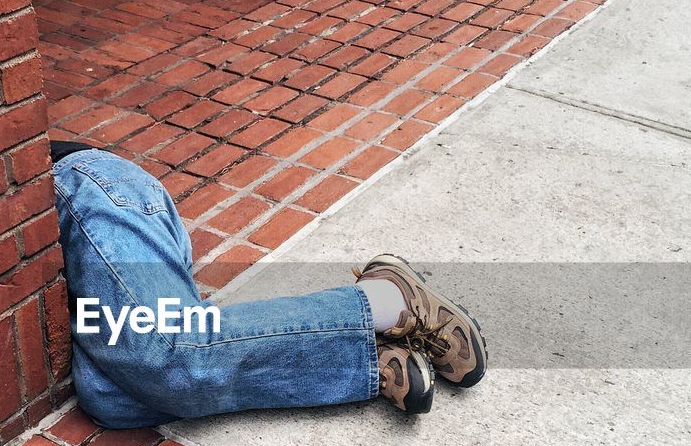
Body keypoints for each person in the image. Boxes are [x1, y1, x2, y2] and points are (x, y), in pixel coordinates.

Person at [50, 142, 486, 428]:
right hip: (87, 272)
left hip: (84, 190)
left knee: (175, 354)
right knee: (106, 398)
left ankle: (387, 301)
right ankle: (366, 354)